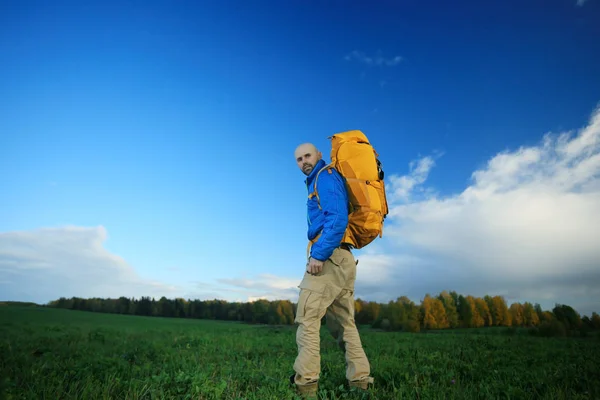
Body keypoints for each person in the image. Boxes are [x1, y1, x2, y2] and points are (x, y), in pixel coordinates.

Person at [290, 142, 374, 397]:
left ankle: (306, 385)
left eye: (307, 156)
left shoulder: (325, 177)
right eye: (298, 159)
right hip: (343, 259)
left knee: (307, 319)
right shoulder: (320, 180)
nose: (303, 161)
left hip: (329, 257)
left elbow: (337, 218)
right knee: (344, 325)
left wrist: (318, 255)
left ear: (319, 156)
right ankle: (360, 383)